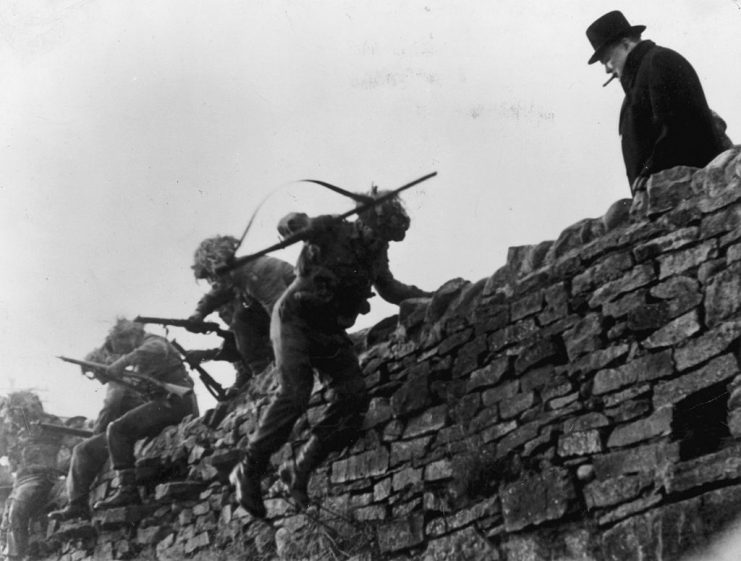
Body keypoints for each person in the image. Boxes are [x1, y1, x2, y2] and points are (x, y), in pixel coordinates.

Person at [230, 189, 432, 518]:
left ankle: (300, 467)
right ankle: (248, 471)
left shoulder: (376, 253)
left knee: (354, 395)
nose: (378, 240)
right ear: (363, 222)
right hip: (295, 318)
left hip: (329, 329)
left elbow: (391, 290)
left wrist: (430, 296)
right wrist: (297, 224)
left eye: (384, 238)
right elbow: (290, 224)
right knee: (295, 394)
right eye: (375, 232)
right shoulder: (331, 229)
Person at [586, 10, 726, 194]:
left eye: (607, 60)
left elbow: (676, 128)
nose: (606, 70)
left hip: (691, 191)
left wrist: (647, 173)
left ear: (626, 45)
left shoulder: (660, 61)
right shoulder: (636, 85)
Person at [92, 318, 198, 509]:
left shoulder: (152, 340)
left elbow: (156, 348)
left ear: (129, 336)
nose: (122, 352)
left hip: (175, 402)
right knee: (123, 430)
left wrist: (122, 363)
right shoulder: (141, 358)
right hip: (167, 403)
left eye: (122, 346)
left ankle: (127, 490)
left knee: (117, 430)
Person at [186, 235, 295, 396]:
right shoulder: (236, 274)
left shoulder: (256, 272)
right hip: (289, 313)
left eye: (211, 276)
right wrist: (197, 314)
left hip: (301, 313)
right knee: (242, 320)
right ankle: (263, 373)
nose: (212, 283)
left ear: (219, 268)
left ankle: (269, 375)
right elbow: (214, 296)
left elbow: (281, 313)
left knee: (243, 320)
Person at [47, 346, 146, 521]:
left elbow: (110, 407)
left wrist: (96, 432)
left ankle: (77, 505)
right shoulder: (126, 378)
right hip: (131, 427)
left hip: (130, 431)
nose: (96, 378)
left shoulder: (117, 383)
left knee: (82, 450)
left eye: (92, 373)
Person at [0, 393, 64, 560]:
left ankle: (16, 557)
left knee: (17, 510)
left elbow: (62, 443)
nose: (29, 410)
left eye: (33, 406)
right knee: (6, 522)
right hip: (20, 481)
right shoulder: (18, 429)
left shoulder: (50, 422)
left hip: (41, 476)